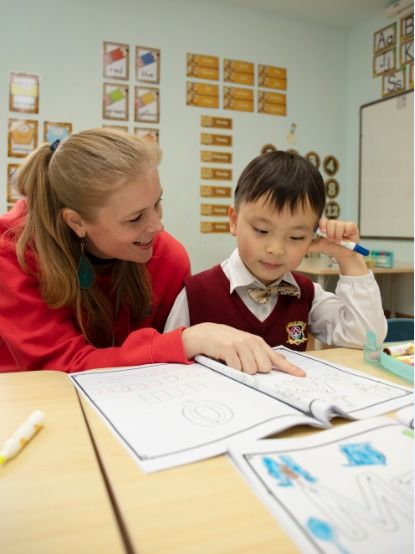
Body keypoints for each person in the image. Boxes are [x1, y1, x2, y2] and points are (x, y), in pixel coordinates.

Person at [0, 128, 303, 376]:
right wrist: (187, 340)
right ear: (76, 221)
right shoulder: (12, 254)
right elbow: (58, 369)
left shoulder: (168, 259)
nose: (157, 227)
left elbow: (159, 371)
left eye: (157, 203)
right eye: (135, 218)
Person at [165, 151, 387, 350]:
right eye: (262, 230)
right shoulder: (195, 295)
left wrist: (349, 258)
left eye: (296, 237)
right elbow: (166, 365)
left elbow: (367, 339)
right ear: (234, 221)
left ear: (313, 235)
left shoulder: (307, 294)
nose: (276, 249)